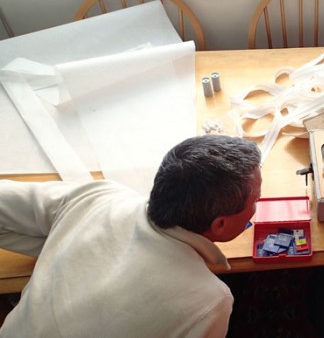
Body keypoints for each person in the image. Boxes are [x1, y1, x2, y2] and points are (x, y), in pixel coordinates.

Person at [0, 135, 262, 338]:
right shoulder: (209, 301)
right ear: (220, 224)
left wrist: (64, 244)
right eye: (256, 200)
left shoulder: (98, 197)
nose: (256, 206)